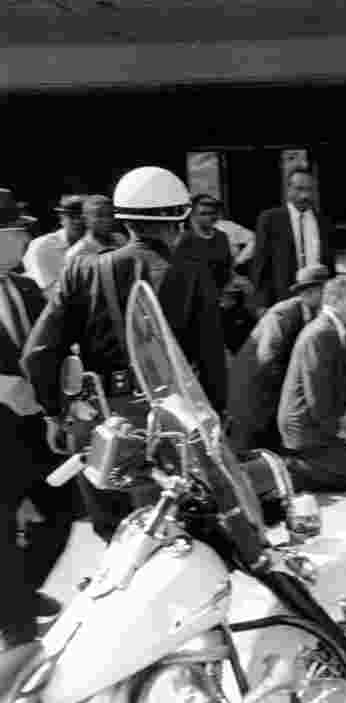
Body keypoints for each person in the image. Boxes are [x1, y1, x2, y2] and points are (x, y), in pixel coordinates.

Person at [21, 166, 227, 542]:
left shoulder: (81, 269)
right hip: (168, 423)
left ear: (124, 220)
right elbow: (212, 361)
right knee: (171, 536)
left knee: (114, 537)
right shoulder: (193, 272)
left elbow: (37, 354)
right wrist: (215, 421)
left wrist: (55, 413)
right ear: (178, 221)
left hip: (99, 423)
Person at [0, 199, 73, 647]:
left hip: (33, 431)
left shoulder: (25, 290)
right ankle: (15, 625)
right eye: (17, 232)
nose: (27, 241)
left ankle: (19, 593)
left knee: (59, 514)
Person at [277, 273, 346, 492]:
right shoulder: (322, 333)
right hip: (305, 425)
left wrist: (344, 418)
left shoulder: (330, 329)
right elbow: (316, 392)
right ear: (335, 302)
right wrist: (336, 429)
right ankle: (285, 470)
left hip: (317, 420)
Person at [226, 264, 328, 452]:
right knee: (248, 452)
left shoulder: (315, 315)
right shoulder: (283, 315)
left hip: (272, 392)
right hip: (254, 391)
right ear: (311, 293)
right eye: (326, 292)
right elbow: (267, 360)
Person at [250, 166, 334, 314]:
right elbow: (260, 263)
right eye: (299, 189)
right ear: (288, 190)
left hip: (317, 299)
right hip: (282, 299)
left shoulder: (323, 222)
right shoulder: (271, 219)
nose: (304, 195)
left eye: (309, 190)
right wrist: (261, 303)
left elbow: (329, 263)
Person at [22, 194, 85, 298]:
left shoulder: (98, 243)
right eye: (72, 216)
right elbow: (50, 295)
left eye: (82, 217)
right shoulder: (42, 247)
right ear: (61, 218)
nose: (78, 221)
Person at [175, 194, 234, 293]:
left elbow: (227, 268)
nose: (209, 217)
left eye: (212, 213)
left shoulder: (222, 237)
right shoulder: (185, 240)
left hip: (221, 296)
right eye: (203, 213)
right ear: (193, 215)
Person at [62, 195, 117, 264]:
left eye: (110, 215)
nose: (107, 220)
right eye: (99, 215)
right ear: (85, 219)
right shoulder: (76, 254)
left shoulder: (121, 241)